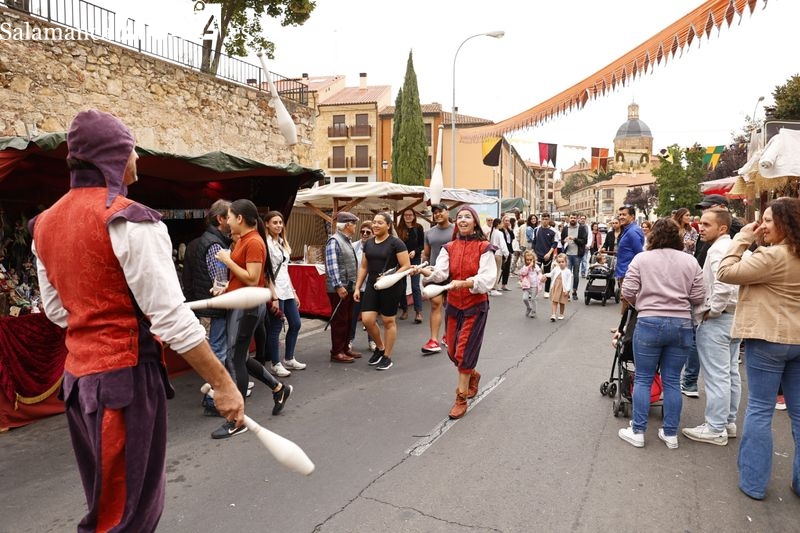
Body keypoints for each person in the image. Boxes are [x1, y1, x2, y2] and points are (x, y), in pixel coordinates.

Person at [30, 109, 244, 531]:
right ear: (113, 155)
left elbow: (58, 313)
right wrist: (223, 384)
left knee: (107, 505)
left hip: (79, 383)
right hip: (124, 381)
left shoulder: (44, 223)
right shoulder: (130, 218)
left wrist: (106, 309)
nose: (137, 160)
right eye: (132, 150)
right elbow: (172, 321)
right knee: (127, 516)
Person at [717, 197, 800, 500]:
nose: (762, 226)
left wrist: (742, 238)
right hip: (798, 341)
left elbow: (725, 271)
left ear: (784, 223)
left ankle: (753, 483)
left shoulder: (772, 257)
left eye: (767, 220)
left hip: (768, 339)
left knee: (761, 410)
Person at [618, 218, 704, 450]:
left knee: (644, 378)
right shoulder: (690, 261)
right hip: (681, 324)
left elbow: (627, 290)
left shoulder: (642, 259)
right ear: (677, 237)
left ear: (652, 236)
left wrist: (642, 304)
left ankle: (638, 430)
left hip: (649, 322)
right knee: (672, 381)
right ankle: (670, 433)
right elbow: (698, 296)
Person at [214, 200, 292, 438]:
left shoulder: (254, 242)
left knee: (234, 359)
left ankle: (237, 419)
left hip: (247, 307)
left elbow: (253, 277)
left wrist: (227, 261)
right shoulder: (244, 241)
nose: (226, 221)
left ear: (239, 218)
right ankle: (279, 388)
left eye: (228, 217)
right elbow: (244, 278)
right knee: (239, 357)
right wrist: (225, 288)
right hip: (241, 304)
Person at [417, 206, 497, 419]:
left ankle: (461, 397)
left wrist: (466, 283)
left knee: (463, 353)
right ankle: (472, 374)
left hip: (475, 306)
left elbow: (488, 279)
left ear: (474, 222)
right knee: (452, 352)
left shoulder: (484, 247)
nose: (462, 220)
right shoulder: (449, 247)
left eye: (467, 217)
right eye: (460, 217)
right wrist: (424, 271)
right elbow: (441, 273)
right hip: (453, 305)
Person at [682, 208, 741, 446]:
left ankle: (716, 427)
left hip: (720, 318)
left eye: (706, 224)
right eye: (700, 223)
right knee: (729, 372)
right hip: (734, 316)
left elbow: (723, 285)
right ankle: (727, 421)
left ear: (722, 228)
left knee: (717, 375)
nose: (700, 227)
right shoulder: (733, 246)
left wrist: (712, 311)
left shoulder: (718, 250)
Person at [182, 199, 232, 415]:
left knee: (215, 351)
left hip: (205, 308)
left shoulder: (201, 241)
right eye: (229, 216)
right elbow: (219, 284)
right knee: (217, 352)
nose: (233, 221)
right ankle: (213, 401)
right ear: (220, 219)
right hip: (214, 309)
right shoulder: (215, 245)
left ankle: (213, 398)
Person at [353, 212, 411, 371]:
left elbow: (406, 265)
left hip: (391, 286)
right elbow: (364, 266)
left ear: (388, 225)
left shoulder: (396, 243)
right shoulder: (369, 243)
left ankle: (387, 356)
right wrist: (358, 287)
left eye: (379, 223)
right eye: (374, 222)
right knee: (367, 320)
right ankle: (380, 348)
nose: (375, 225)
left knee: (388, 321)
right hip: (372, 285)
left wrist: (389, 277)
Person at [263, 210, 305, 376]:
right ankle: (275, 363)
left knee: (295, 324)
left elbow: (284, 270)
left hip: (286, 289)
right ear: (267, 224)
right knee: (276, 327)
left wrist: (294, 291)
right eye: (275, 222)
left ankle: (289, 358)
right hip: (275, 291)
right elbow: (266, 272)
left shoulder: (281, 242)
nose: (279, 225)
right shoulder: (265, 243)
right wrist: (273, 295)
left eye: (280, 222)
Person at [324, 211, 362, 363]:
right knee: (340, 320)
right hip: (340, 289)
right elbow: (332, 267)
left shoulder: (345, 240)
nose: (355, 227)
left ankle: (345, 348)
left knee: (347, 318)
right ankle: (337, 351)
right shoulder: (334, 241)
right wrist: (339, 286)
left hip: (349, 287)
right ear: (347, 225)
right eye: (353, 224)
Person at [421, 203, 453, 354]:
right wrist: (423, 270)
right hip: (435, 273)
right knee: (435, 305)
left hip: (453, 274)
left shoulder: (456, 230)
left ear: (447, 212)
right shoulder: (429, 233)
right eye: (435, 213)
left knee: (451, 306)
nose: (438, 214)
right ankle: (434, 340)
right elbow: (426, 255)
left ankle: (449, 335)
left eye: (441, 211)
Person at [350, 220, 376, 353]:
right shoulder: (353, 246)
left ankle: (372, 341)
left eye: (368, 232)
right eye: (362, 232)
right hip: (357, 287)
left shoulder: (376, 247)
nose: (365, 234)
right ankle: (349, 340)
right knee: (353, 315)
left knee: (369, 317)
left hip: (371, 287)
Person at [396, 208, 424, 323]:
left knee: (415, 286)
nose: (408, 217)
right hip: (402, 261)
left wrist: (415, 252)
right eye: (406, 215)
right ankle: (404, 310)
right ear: (403, 217)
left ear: (414, 216)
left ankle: (418, 312)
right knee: (401, 287)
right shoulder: (399, 229)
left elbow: (422, 245)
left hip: (415, 259)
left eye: (410, 215)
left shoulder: (419, 228)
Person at [560, 212, 588, 301]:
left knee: (576, 275)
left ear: (577, 219)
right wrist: (564, 241)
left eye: (574, 218)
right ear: (569, 218)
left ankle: (574, 291)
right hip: (567, 254)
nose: (573, 219)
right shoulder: (565, 228)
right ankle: (566, 292)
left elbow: (584, 241)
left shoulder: (581, 228)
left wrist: (574, 239)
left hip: (577, 255)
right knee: (566, 274)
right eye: (571, 217)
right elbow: (562, 241)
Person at [532, 213, 558, 298]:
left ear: (549, 220)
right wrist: (534, 254)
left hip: (547, 255)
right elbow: (534, 242)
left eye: (546, 219)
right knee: (535, 273)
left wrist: (549, 253)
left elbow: (554, 244)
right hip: (537, 255)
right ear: (541, 219)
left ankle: (546, 291)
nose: (544, 221)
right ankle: (533, 291)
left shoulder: (553, 231)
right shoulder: (536, 229)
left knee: (547, 273)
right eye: (543, 219)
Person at [544, 253, 572, 321]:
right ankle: (553, 314)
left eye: (563, 262)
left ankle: (561, 314)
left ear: (566, 262)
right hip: (556, 287)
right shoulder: (556, 269)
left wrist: (567, 290)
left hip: (563, 289)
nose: (561, 263)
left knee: (562, 302)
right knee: (554, 301)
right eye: (559, 262)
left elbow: (569, 282)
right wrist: (545, 275)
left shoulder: (568, 271)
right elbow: (551, 274)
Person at [518, 250, 542, 318]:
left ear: (533, 259)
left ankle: (533, 312)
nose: (529, 261)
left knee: (533, 299)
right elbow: (523, 273)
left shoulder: (536, 266)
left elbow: (539, 273)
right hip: (527, 286)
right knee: (525, 298)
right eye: (527, 260)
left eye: (530, 260)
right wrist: (528, 267)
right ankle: (529, 307)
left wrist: (541, 278)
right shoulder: (525, 267)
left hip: (534, 286)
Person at [488, 218, 506, 296]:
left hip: (492, 253)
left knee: (493, 271)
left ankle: (491, 288)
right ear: (498, 224)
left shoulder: (492, 232)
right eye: (501, 223)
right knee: (497, 271)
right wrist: (506, 254)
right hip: (498, 253)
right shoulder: (499, 233)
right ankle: (494, 288)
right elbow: (503, 245)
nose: (502, 224)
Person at [498, 215, 515, 291]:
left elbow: (513, 237)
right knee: (500, 267)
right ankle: (496, 284)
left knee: (507, 268)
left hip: (509, 250)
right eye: (506, 220)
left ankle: (504, 285)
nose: (507, 222)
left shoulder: (509, 229)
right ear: (503, 221)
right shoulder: (500, 229)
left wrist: (510, 229)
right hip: (502, 250)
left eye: (508, 221)